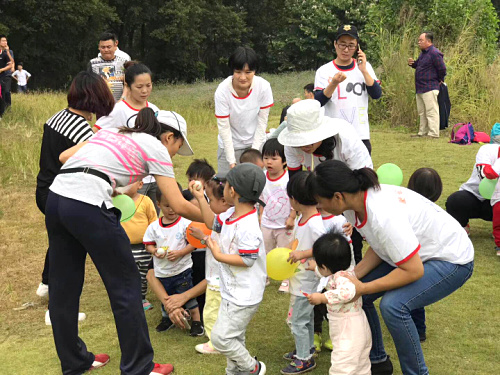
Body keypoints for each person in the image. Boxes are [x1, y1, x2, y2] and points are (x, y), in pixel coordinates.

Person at [45, 107, 203, 374]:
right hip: (89, 204)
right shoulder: (155, 146)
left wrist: (114, 182)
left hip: (57, 198)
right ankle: (139, 367)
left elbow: (64, 156)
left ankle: (74, 362)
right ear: (168, 137)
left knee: (64, 287)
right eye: (178, 145)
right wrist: (214, 220)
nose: (174, 154)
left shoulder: (113, 131)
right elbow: (178, 203)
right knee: (126, 285)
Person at [307, 160, 474, 375]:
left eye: (320, 203)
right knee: (354, 293)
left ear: (338, 196)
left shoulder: (382, 213)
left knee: (394, 306)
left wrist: (363, 287)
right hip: (416, 254)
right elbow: (380, 245)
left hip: (452, 258)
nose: (318, 208)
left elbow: (413, 270)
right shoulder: (353, 205)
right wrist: (352, 276)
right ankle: (378, 363)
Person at [35, 71, 115, 324]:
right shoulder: (82, 130)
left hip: (44, 189)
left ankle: (47, 287)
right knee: (70, 256)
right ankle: (55, 309)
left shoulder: (56, 117)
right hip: (63, 194)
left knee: (61, 245)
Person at [190, 163, 267, 374]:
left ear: (232, 191)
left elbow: (247, 259)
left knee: (220, 338)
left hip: (245, 295)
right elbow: (212, 222)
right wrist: (199, 197)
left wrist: (218, 255)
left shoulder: (249, 226)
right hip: (232, 291)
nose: (222, 187)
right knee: (234, 337)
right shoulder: (231, 214)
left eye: (225, 185)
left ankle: (253, 367)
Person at [278, 99, 373, 264]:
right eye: (299, 141)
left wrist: (351, 217)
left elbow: (363, 179)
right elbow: (295, 179)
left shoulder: (345, 137)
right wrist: (303, 209)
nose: (304, 146)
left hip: (349, 190)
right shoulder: (291, 145)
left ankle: (354, 276)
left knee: (349, 239)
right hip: (318, 196)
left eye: (308, 140)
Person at [157, 174, 231, 354]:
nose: (202, 211)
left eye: (209, 200)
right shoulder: (227, 219)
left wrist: (203, 238)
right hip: (213, 278)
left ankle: (217, 344)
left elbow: (220, 246)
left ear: (223, 201)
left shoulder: (224, 221)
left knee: (215, 311)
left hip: (217, 278)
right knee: (216, 310)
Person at [94, 63, 161, 213]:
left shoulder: (155, 110)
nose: (144, 91)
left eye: (148, 85)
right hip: (132, 181)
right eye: (139, 87)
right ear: (128, 86)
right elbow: (96, 132)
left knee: (153, 218)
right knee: (132, 220)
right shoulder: (118, 110)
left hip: (155, 177)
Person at [306, 232, 371, 375]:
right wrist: (315, 268)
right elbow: (326, 273)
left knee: (343, 365)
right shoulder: (345, 272)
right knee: (360, 365)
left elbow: (347, 292)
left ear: (324, 266)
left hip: (348, 329)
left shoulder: (342, 279)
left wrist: (323, 298)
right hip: (356, 324)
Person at [143, 185, 204, 336]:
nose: (171, 210)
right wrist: (154, 251)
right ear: (158, 205)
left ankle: (197, 321)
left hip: (182, 269)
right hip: (162, 272)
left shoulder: (184, 223)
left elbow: (194, 244)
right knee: (167, 296)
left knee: (189, 297)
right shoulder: (154, 227)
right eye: (166, 206)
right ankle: (167, 319)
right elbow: (148, 244)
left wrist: (180, 253)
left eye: (173, 205)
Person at [281, 171, 326, 375]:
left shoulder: (315, 223)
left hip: (307, 282)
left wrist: (301, 254)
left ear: (295, 199)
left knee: (298, 320)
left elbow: (322, 248)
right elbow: (298, 242)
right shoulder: (302, 219)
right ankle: (306, 348)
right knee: (305, 320)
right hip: (299, 279)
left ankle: (304, 359)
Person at [313, 25, 382, 154]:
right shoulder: (324, 71)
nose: (346, 49)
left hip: (360, 134)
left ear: (357, 48)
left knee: (361, 173)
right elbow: (318, 101)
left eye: (351, 45)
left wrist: (364, 71)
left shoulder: (365, 68)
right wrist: (333, 83)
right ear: (335, 44)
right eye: (342, 44)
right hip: (333, 134)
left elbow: (377, 94)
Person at [214, 46, 274, 174]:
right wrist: (231, 161)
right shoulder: (222, 91)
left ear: (255, 71)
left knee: (256, 186)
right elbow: (224, 127)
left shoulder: (263, 87)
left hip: (255, 142)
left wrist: (254, 153)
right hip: (230, 145)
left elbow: (262, 121)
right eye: (238, 71)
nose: (242, 77)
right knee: (225, 186)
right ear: (232, 70)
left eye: (248, 72)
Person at [406, 167, 443, 342]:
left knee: (407, 296)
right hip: (430, 258)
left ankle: (417, 329)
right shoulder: (438, 213)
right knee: (416, 298)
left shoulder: (409, 210)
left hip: (412, 258)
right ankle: (419, 329)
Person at [446, 143, 500, 256]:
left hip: (496, 202)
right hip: (474, 195)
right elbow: (485, 175)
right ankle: (462, 226)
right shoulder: (487, 149)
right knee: (455, 201)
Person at [313, 207, 353, 353]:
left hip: (334, 272)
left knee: (332, 306)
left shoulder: (339, 220)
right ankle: (315, 333)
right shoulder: (310, 218)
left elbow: (345, 250)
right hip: (318, 271)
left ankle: (334, 335)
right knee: (315, 307)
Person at [259, 138, 294, 291]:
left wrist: (292, 216)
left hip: (284, 224)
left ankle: (287, 278)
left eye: (274, 158)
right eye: (266, 158)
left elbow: (295, 199)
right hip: (267, 223)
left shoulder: (289, 178)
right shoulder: (262, 177)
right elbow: (261, 198)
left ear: (285, 161)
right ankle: (264, 276)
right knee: (265, 250)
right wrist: (260, 216)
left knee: (285, 251)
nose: (269, 162)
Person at [183, 158, 216, 317]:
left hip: (204, 248)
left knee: (203, 277)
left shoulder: (212, 200)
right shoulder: (183, 197)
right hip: (187, 248)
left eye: (195, 180)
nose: (191, 183)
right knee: (189, 279)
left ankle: (203, 312)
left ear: (207, 183)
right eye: (189, 179)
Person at [121, 179, 158, 311]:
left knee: (142, 274)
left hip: (143, 248)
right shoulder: (118, 201)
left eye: (129, 182)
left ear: (140, 185)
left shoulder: (146, 201)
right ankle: (128, 297)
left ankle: (141, 298)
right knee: (126, 274)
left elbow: (153, 220)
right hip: (124, 247)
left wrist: (153, 240)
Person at [408, 32, 446, 138]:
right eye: (419, 40)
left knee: (431, 111)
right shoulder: (423, 53)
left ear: (428, 41)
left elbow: (442, 68)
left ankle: (433, 133)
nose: (419, 42)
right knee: (422, 112)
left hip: (430, 86)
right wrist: (413, 64)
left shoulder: (434, 53)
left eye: (421, 40)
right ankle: (422, 132)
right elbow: (420, 66)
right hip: (420, 87)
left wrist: (440, 79)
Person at [88, 31, 130, 102]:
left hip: (121, 103)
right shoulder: (92, 63)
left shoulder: (124, 62)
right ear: (99, 47)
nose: (106, 50)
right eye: (103, 47)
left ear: (115, 46)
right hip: (100, 104)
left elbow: (132, 83)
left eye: (109, 47)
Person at [0, 35, 14, 114]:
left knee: (7, 91)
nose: (5, 42)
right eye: (3, 41)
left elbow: (12, 62)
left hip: (7, 75)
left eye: (6, 41)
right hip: (1, 75)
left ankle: (8, 108)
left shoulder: (9, 52)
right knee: (2, 93)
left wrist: (8, 51)